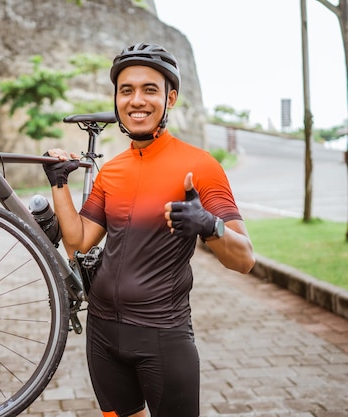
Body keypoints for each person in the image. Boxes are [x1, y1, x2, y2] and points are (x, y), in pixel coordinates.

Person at [41, 43, 256, 417]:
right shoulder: (112, 170)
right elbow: (77, 244)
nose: (136, 100)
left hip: (163, 338)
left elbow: (245, 260)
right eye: (126, 90)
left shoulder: (200, 165)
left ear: (170, 98)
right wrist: (58, 185)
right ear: (117, 99)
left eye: (149, 89)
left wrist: (209, 225)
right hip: (102, 335)